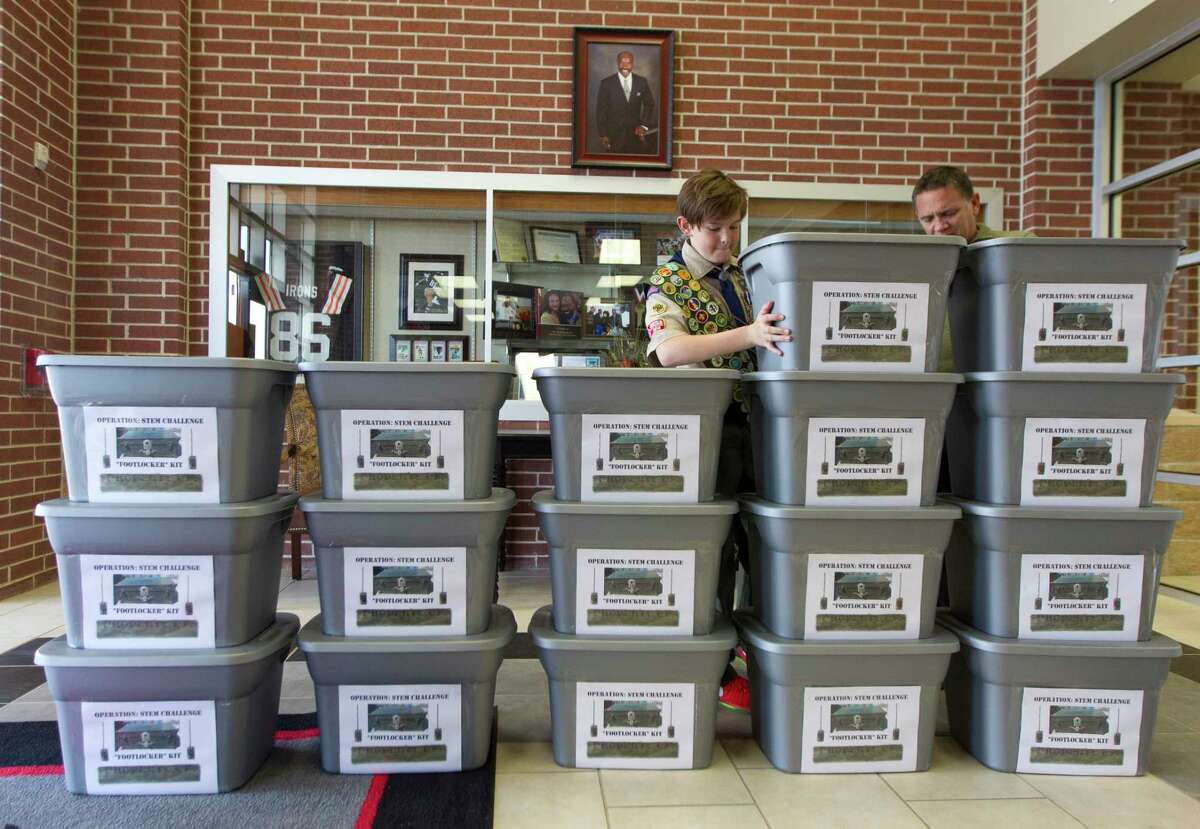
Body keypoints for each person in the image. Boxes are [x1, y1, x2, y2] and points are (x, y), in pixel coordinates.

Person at [643, 169, 791, 713]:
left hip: (763, 431)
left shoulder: (747, 274)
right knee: (715, 552)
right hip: (707, 436)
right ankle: (718, 665)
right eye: (715, 230)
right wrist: (750, 334)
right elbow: (670, 352)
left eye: (734, 228)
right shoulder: (668, 283)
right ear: (685, 225)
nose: (727, 240)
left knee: (763, 545)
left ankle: (758, 651)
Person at [912, 165, 1035, 245]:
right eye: (928, 219)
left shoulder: (1019, 245)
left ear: (974, 204)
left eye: (948, 213)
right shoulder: (911, 260)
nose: (939, 227)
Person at [595, 51, 658, 155]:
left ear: (632, 64)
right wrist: (603, 134)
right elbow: (601, 110)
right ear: (617, 63)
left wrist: (643, 126)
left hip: (635, 136)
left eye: (628, 63)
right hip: (613, 137)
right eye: (622, 62)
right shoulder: (606, 83)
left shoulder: (641, 82)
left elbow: (649, 104)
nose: (625, 66)